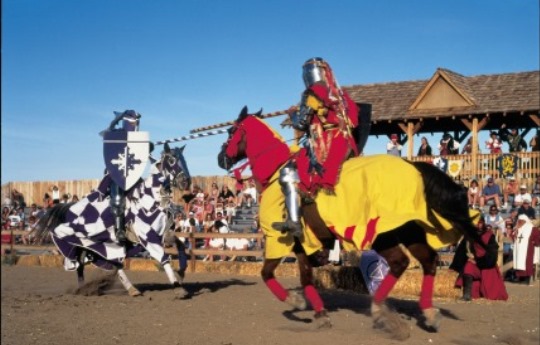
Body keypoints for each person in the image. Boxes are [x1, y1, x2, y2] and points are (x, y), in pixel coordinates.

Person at [284, 57, 359, 234]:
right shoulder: (339, 94)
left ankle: (294, 220)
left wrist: (293, 113)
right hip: (346, 142)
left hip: (327, 144)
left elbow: (301, 124)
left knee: (289, 171)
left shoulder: (312, 92)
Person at [450, 216, 508, 301]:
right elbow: (461, 252)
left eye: (480, 223)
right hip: (475, 264)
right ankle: (467, 294)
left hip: (487, 266)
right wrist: (454, 267)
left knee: (492, 295)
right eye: (476, 223)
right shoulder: (469, 236)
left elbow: (492, 256)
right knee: (468, 268)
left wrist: (477, 261)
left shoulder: (489, 236)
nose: (478, 225)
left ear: (483, 223)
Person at [511, 214, 540, 285]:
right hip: (519, 249)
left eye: (521, 221)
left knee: (527, 263)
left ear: (525, 221)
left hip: (527, 249)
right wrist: (515, 230)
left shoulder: (531, 228)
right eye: (519, 221)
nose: (519, 222)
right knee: (519, 263)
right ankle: (520, 278)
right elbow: (513, 236)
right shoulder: (517, 228)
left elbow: (538, 236)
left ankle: (528, 279)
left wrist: (535, 242)